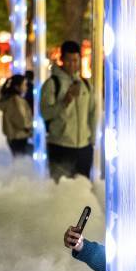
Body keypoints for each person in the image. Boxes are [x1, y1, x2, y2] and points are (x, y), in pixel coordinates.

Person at [41, 40, 95, 181]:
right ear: (62, 60)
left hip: (83, 146)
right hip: (60, 145)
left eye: (75, 60)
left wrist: (92, 139)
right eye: (69, 60)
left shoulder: (85, 84)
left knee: (83, 191)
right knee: (61, 193)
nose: (72, 64)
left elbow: (92, 113)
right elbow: (45, 113)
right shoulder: (52, 84)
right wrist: (65, 102)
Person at [0, 74, 33, 157]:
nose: (26, 87)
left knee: (18, 160)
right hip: (19, 136)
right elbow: (21, 120)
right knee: (22, 161)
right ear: (17, 87)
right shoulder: (16, 100)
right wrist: (29, 127)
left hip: (14, 136)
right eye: (24, 84)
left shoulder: (9, 99)